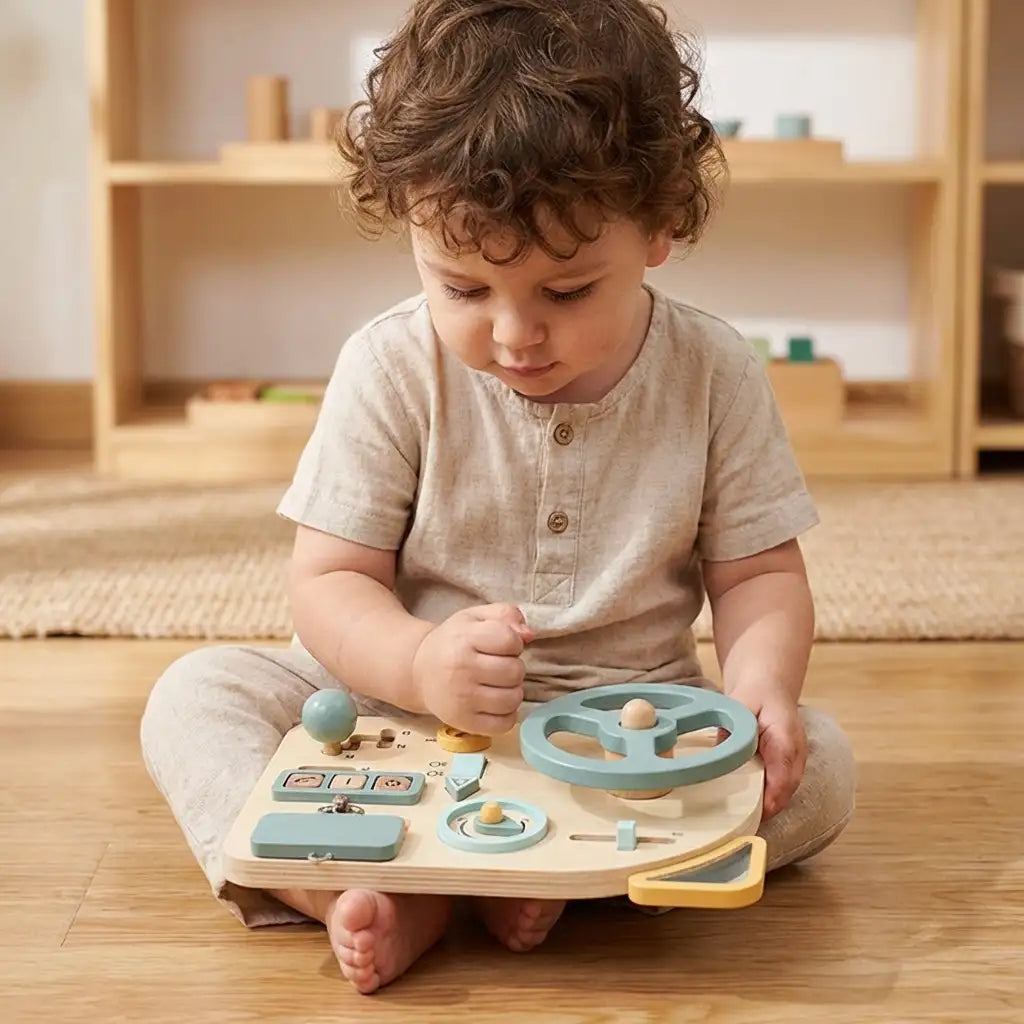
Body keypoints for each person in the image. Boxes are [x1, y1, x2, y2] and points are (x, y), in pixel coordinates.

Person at [140, 0, 855, 995]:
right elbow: (330, 579)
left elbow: (759, 575)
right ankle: (366, 885)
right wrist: (421, 660)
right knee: (195, 696)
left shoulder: (713, 371)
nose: (514, 335)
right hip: (403, 710)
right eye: (463, 290)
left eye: (565, 293)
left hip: (625, 729)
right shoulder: (389, 365)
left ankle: (506, 870)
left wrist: (760, 688)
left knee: (816, 764)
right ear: (409, 228)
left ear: (659, 227)